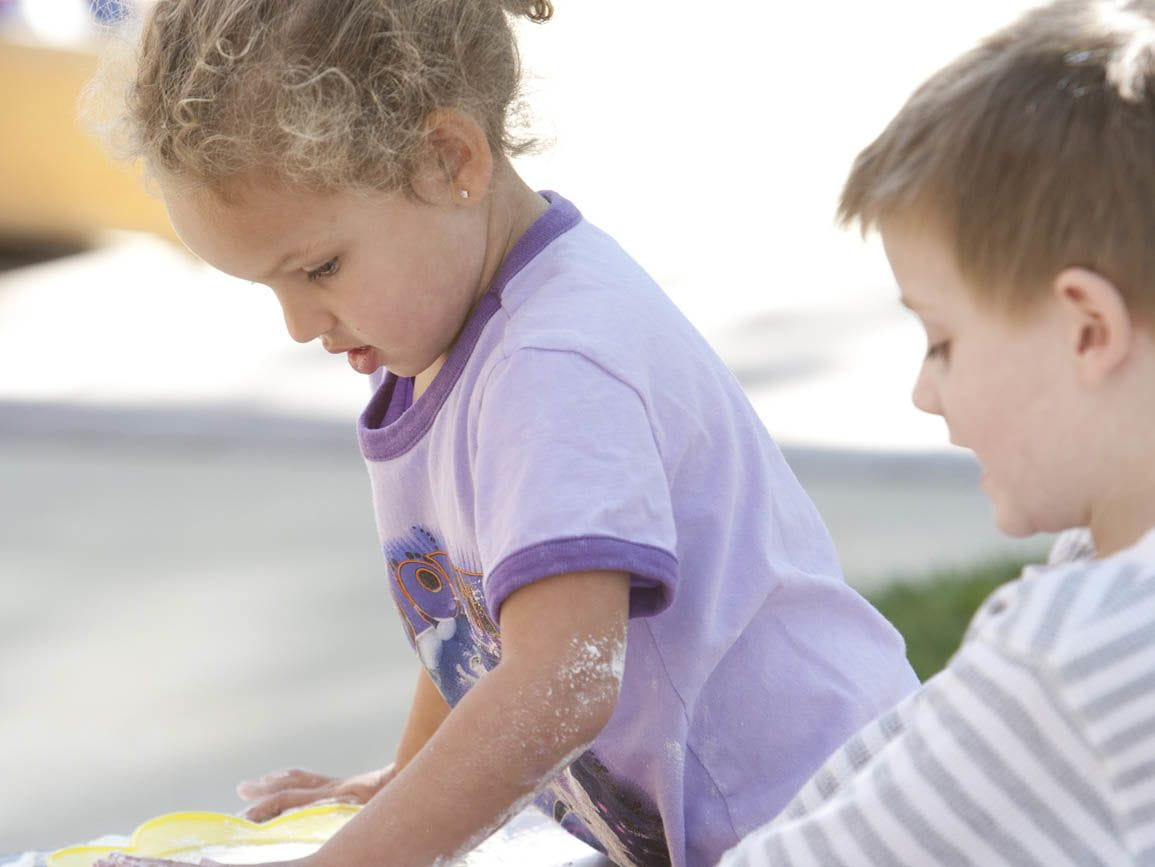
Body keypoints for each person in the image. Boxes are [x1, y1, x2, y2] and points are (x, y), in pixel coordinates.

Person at [88, 1, 918, 865]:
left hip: (843, 829)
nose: (301, 323)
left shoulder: (553, 361)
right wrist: (403, 789)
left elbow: (558, 681)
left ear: (450, 159)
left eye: (320, 268)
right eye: (270, 287)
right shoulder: (441, 330)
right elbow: (479, 619)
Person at [719, 1, 1155, 864]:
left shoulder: (1077, 644)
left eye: (941, 339)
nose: (925, 391)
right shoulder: (1098, 564)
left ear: (1086, 329)